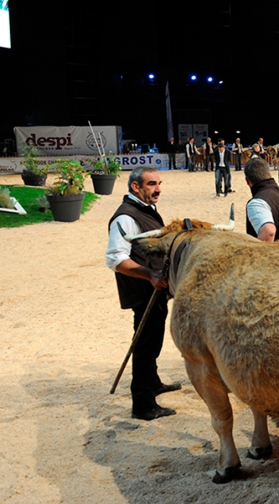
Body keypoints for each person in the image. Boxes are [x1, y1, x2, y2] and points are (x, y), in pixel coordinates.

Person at [105, 167, 179, 420]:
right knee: (145, 345)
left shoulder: (146, 209)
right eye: (151, 184)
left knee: (152, 339)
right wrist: (149, 275)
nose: (158, 189)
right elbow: (115, 259)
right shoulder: (125, 217)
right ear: (135, 187)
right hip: (143, 291)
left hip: (155, 289)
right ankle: (143, 404)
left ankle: (154, 383)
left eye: (159, 183)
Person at [244, 157, 279, 242]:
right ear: (270, 175)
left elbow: (268, 232)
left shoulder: (257, 202)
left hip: (274, 254)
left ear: (247, 181)